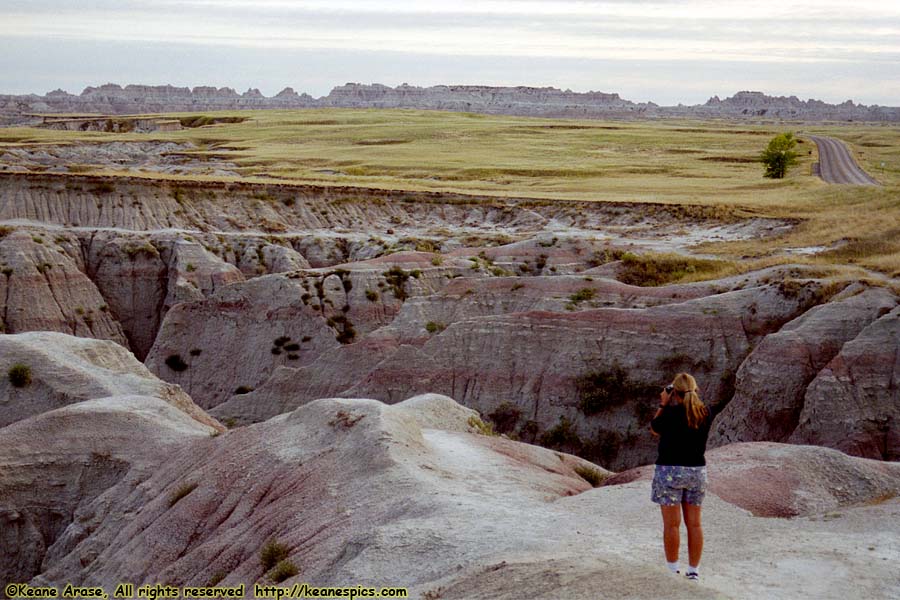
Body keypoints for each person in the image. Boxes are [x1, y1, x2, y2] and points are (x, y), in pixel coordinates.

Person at [649, 372, 711, 581]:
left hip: (669, 472)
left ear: (674, 392)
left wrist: (664, 404)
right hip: (696, 472)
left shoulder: (670, 414)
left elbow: (654, 429)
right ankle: (693, 571)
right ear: (696, 390)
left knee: (672, 525)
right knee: (694, 524)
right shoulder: (704, 412)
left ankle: (672, 569)